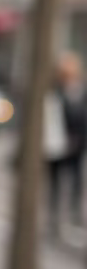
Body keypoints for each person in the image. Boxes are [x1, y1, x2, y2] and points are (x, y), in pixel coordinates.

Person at [44, 51, 86, 236]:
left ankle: (74, 213)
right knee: (55, 182)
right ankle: (54, 218)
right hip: (56, 144)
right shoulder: (54, 90)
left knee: (76, 180)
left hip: (77, 144)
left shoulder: (80, 90)